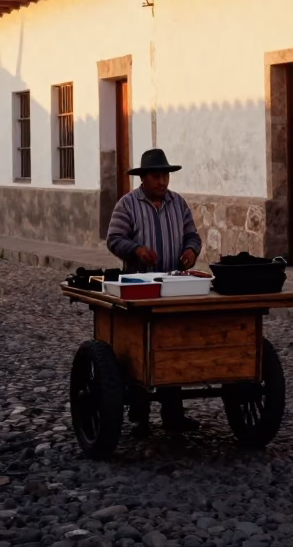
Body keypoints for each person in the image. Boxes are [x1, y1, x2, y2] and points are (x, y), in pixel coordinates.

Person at [105, 147, 202, 432]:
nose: (162, 182)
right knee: (141, 349)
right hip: (140, 289)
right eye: (156, 177)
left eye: (165, 177)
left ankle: (174, 413)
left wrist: (190, 251)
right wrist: (136, 249)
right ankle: (140, 413)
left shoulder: (178, 204)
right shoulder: (127, 205)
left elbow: (193, 236)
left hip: (173, 288)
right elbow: (114, 239)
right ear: (143, 179)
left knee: (171, 346)